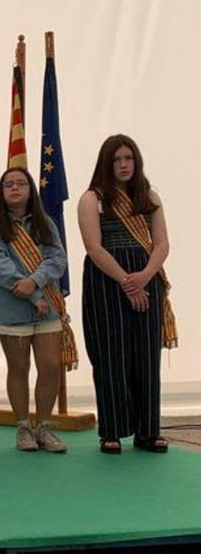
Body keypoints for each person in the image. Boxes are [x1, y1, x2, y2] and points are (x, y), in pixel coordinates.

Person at [78, 134, 174, 455]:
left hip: (147, 277)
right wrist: (126, 280)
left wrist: (144, 277)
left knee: (146, 356)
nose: (123, 165)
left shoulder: (149, 196)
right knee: (111, 355)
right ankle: (112, 430)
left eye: (128, 159)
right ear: (107, 163)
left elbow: (161, 243)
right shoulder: (92, 199)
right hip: (107, 280)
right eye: (117, 159)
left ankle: (149, 431)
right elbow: (93, 247)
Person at [0, 167, 70, 453]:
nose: (15, 188)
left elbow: (57, 258)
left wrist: (35, 281)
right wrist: (33, 295)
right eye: (9, 185)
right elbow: (0, 268)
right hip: (12, 308)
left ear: (31, 189)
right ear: (2, 192)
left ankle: (43, 426)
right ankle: (22, 427)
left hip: (49, 306)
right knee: (18, 368)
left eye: (21, 183)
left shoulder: (46, 224)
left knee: (50, 366)